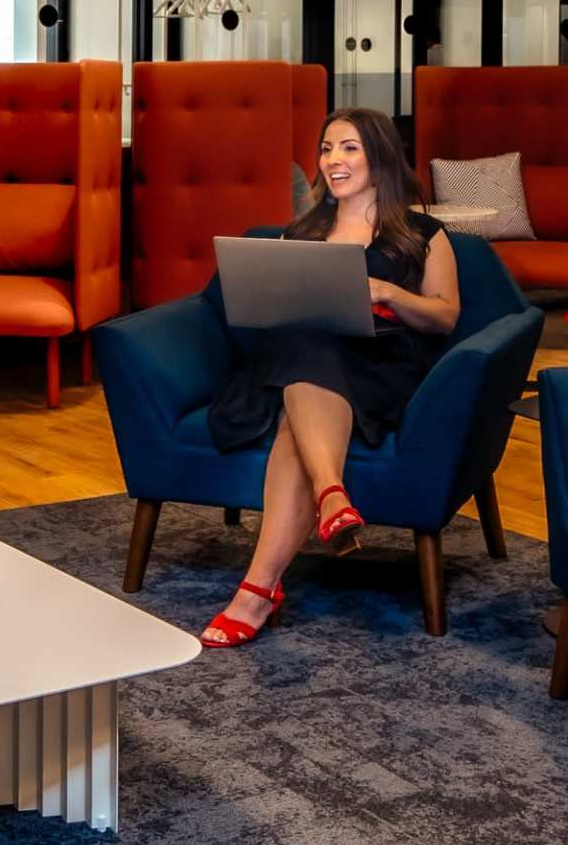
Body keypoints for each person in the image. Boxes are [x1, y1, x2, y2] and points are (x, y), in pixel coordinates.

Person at [196, 108, 469, 651]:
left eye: (348, 148)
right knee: (307, 345)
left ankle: (258, 591)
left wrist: (389, 293)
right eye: (326, 149)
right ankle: (329, 499)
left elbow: (445, 316)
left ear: (380, 155)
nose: (333, 160)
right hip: (299, 356)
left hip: (380, 364)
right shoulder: (305, 230)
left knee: (293, 426)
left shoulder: (423, 234)